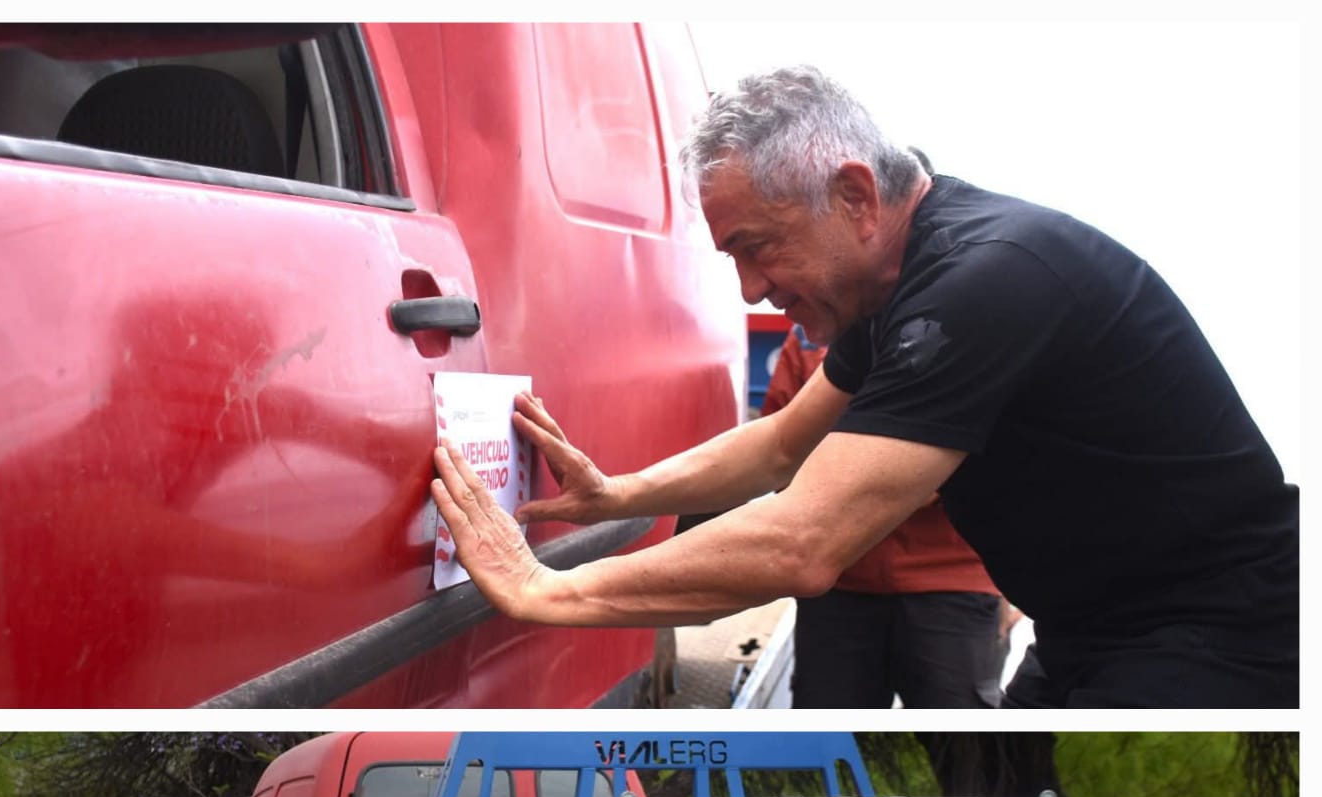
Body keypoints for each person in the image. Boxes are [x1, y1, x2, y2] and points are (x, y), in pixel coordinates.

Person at [431, 66, 1297, 709]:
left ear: (853, 195)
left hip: (1217, 631)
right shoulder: (896, 286)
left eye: (757, 246)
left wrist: (547, 591)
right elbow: (778, 446)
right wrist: (620, 493)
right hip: (1094, 628)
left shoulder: (985, 280)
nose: (750, 290)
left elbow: (801, 544)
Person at [762, 321, 1011, 706]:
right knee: (827, 739)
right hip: (837, 583)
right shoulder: (811, 338)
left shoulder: (979, 324)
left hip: (951, 581)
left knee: (963, 747)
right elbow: (778, 450)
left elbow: (1019, 457)